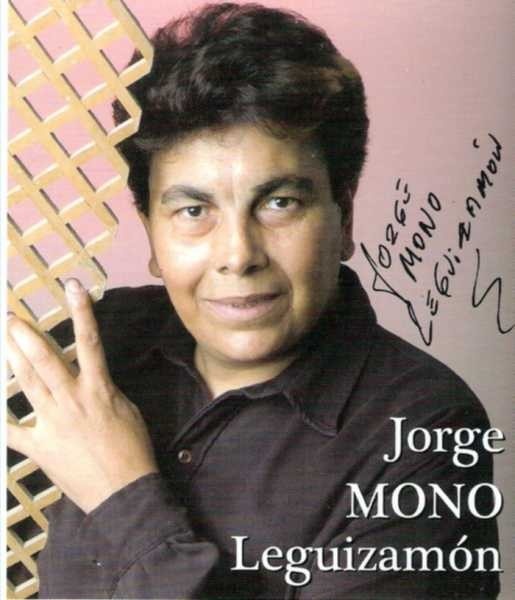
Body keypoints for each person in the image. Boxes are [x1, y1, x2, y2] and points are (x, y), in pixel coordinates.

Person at [6, 3, 500, 598]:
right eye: (194, 210)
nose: (238, 255)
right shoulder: (93, 341)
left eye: (279, 203)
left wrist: (121, 495)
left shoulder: (426, 429)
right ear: (151, 234)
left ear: (343, 216)